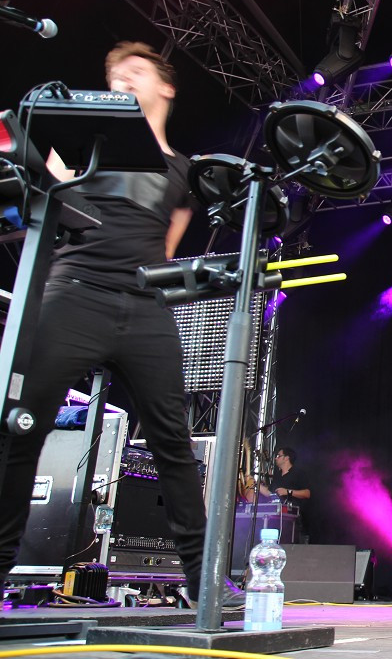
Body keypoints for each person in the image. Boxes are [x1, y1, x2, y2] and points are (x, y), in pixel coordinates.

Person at [0, 42, 243, 607]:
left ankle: (205, 582)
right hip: (74, 295)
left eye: (136, 72)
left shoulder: (184, 171)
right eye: (114, 76)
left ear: (166, 87)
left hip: (143, 308)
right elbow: (41, 177)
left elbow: (165, 251)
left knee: (174, 445)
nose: (123, 81)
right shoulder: (86, 142)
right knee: (19, 429)